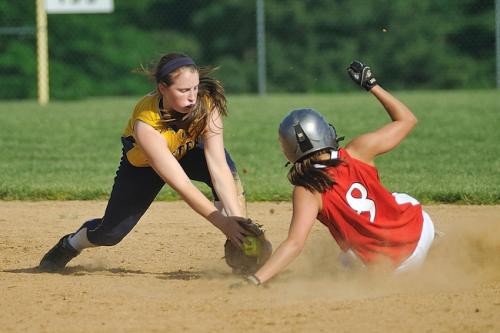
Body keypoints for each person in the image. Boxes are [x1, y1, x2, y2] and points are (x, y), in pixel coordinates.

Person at [39, 52, 249, 272]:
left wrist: (236, 222)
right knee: (110, 234)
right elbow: (182, 185)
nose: (192, 97)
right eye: (183, 90)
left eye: (195, 88)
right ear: (162, 88)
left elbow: (218, 166)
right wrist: (222, 223)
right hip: (144, 167)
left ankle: (241, 250)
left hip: (188, 153)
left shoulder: (207, 105)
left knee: (230, 188)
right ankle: (71, 243)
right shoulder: (146, 125)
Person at [244, 60, 436, 286]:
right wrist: (371, 85)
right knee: (400, 199)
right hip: (421, 232)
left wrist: (256, 279)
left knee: (345, 261)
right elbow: (407, 120)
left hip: (390, 269)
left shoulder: (307, 189)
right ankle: (435, 243)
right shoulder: (358, 151)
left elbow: (295, 243)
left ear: (288, 151)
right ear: (326, 133)